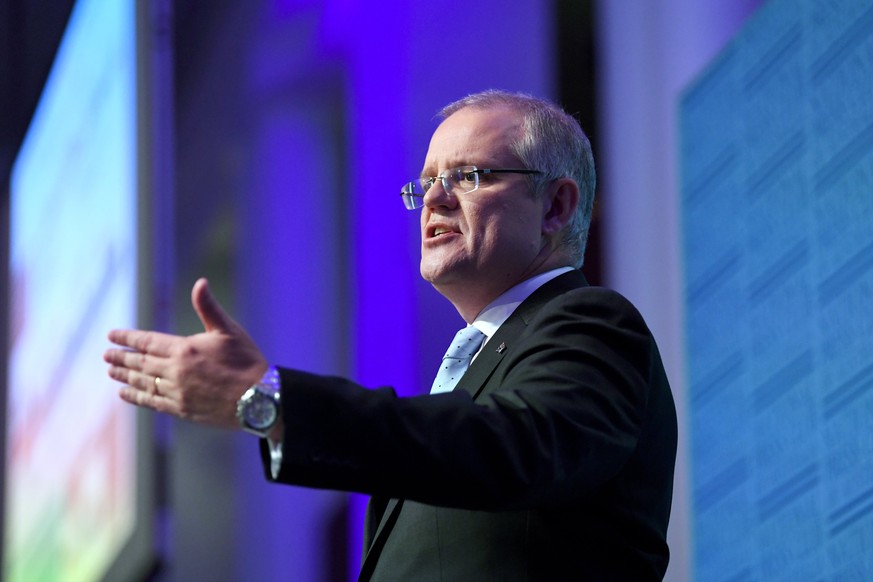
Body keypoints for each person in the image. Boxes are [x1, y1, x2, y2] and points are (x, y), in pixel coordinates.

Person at [105, 90, 677, 580]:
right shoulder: (473, 372)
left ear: (556, 205)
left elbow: (507, 447)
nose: (433, 198)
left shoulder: (594, 325)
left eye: (469, 176)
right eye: (427, 182)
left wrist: (272, 400)